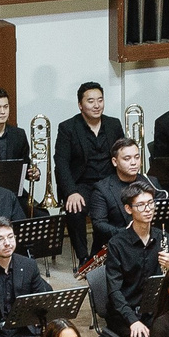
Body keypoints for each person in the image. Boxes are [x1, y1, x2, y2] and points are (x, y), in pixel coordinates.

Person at [96, 184, 169, 337]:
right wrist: (133, 321)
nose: (148, 209)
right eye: (140, 205)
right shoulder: (117, 244)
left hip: (155, 309)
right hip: (125, 313)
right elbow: (114, 291)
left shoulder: (164, 238)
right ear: (128, 209)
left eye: (151, 203)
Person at [55, 82, 118, 259]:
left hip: (108, 183)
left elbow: (121, 154)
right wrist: (71, 192)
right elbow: (61, 163)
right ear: (80, 105)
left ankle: (97, 254)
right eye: (91, 101)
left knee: (113, 208)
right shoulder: (67, 128)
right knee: (75, 209)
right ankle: (83, 258)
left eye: (100, 100)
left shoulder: (114, 124)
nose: (97, 105)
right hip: (81, 184)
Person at [90, 137, 152, 237]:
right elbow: (99, 224)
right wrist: (127, 232)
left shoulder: (151, 182)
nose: (133, 163)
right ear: (115, 162)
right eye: (127, 159)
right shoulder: (102, 189)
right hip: (117, 243)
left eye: (137, 157)